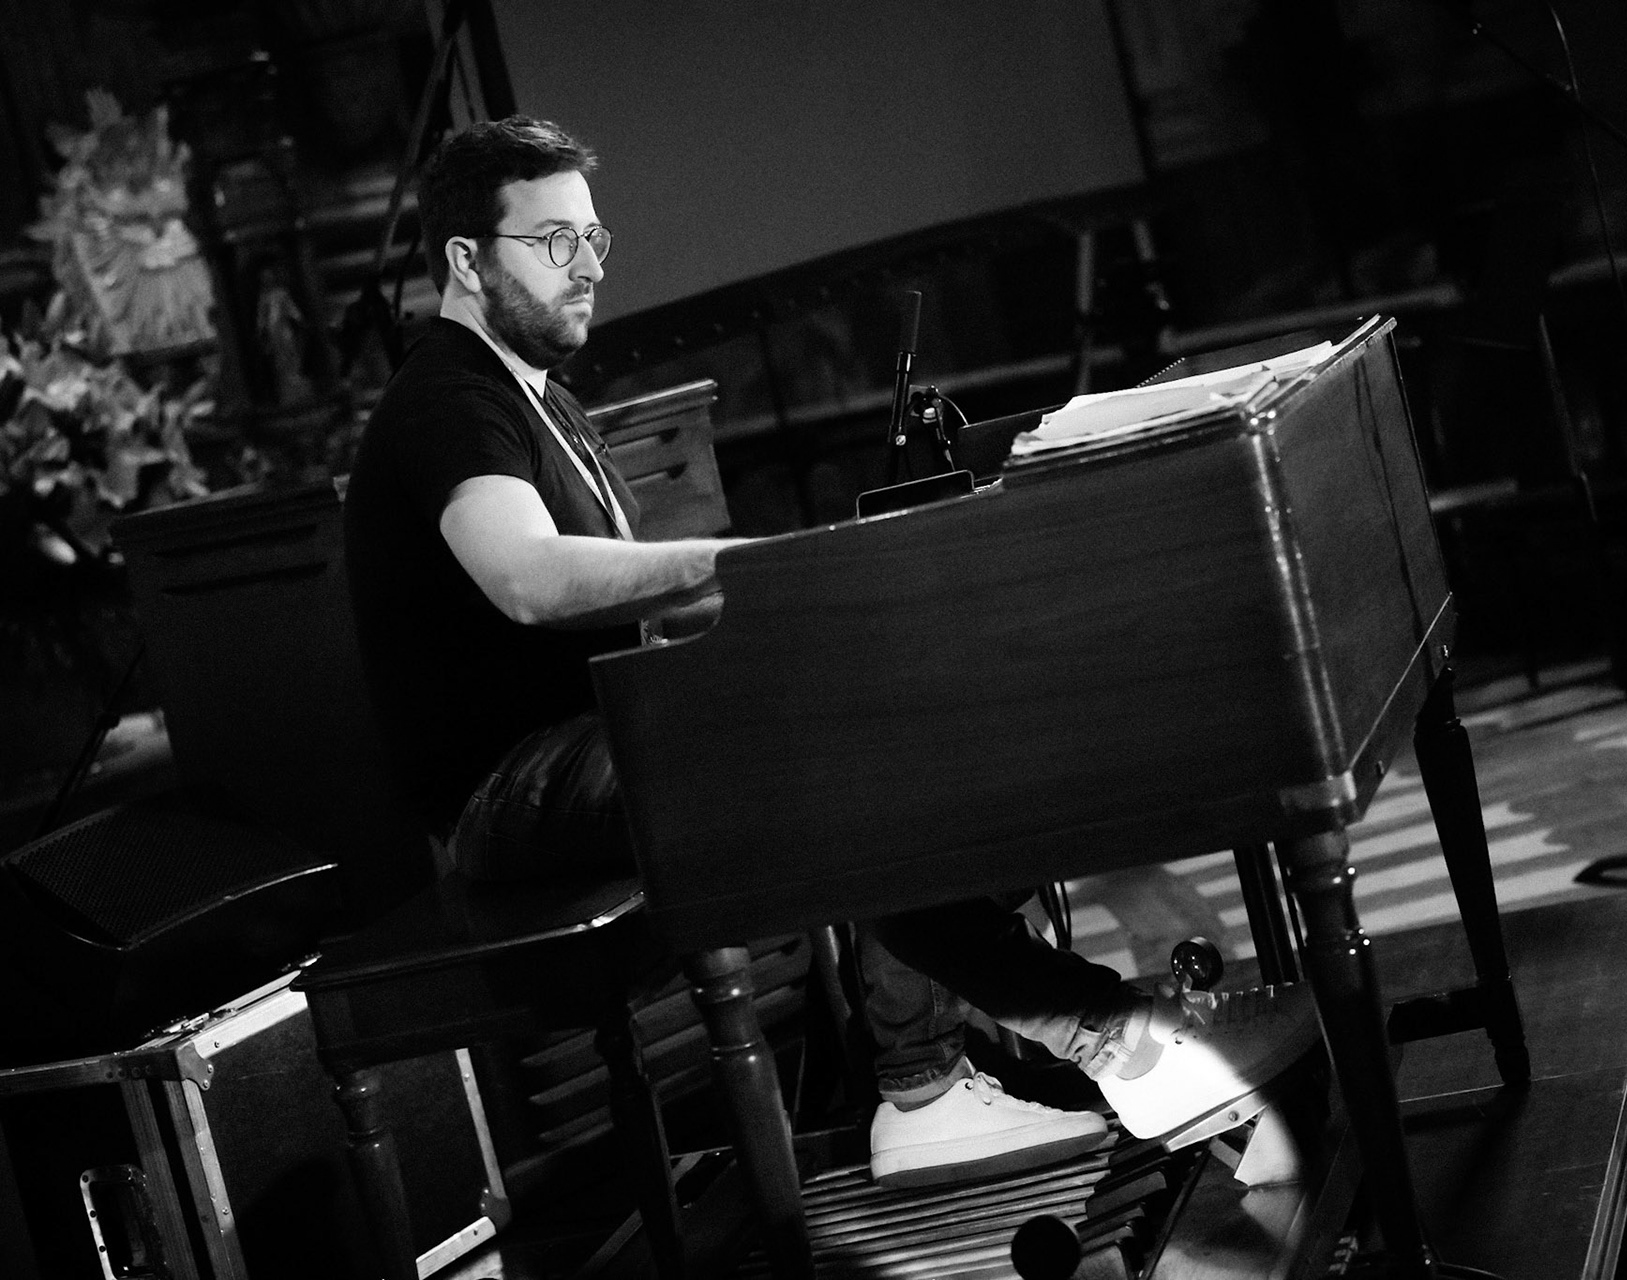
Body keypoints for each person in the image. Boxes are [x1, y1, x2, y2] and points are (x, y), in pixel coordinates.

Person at [343, 115, 1318, 1192]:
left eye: (594, 240)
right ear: (466, 262)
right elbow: (524, 577)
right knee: (816, 751)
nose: (586, 269)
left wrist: (817, 619)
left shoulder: (539, 395)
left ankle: (960, 1070)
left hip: (592, 738)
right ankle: (1046, 1052)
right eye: (551, 243)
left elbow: (635, 618)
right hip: (504, 789)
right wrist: (752, 565)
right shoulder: (451, 394)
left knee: (879, 708)